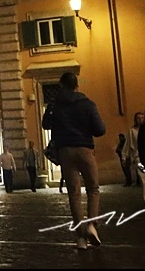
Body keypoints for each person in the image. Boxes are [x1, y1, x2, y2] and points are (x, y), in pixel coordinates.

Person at [42, 72, 106, 250]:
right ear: (77, 85)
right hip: (85, 149)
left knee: (74, 194)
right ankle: (92, 224)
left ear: (61, 85)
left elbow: (45, 124)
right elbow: (100, 130)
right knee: (93, 188)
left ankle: (81, 238)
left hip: (65, 151)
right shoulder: (87, 104)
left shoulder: (55, 104)